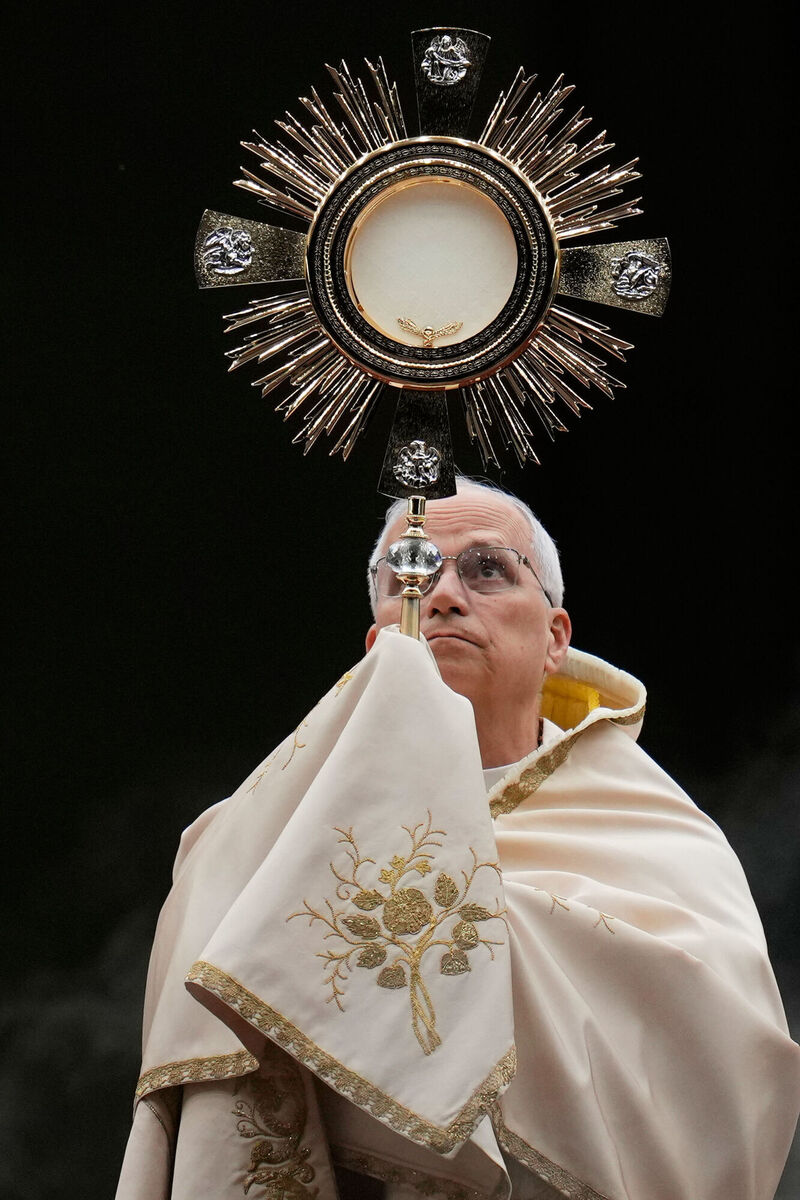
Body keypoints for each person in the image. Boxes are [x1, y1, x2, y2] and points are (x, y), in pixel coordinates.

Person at [117, 478, 800, 1200]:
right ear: (378, 643)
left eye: (487, 569)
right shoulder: (250, 839)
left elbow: (721, 1063)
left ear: (555, 640)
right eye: (407, 575)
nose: (440, 596)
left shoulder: (652, 833)